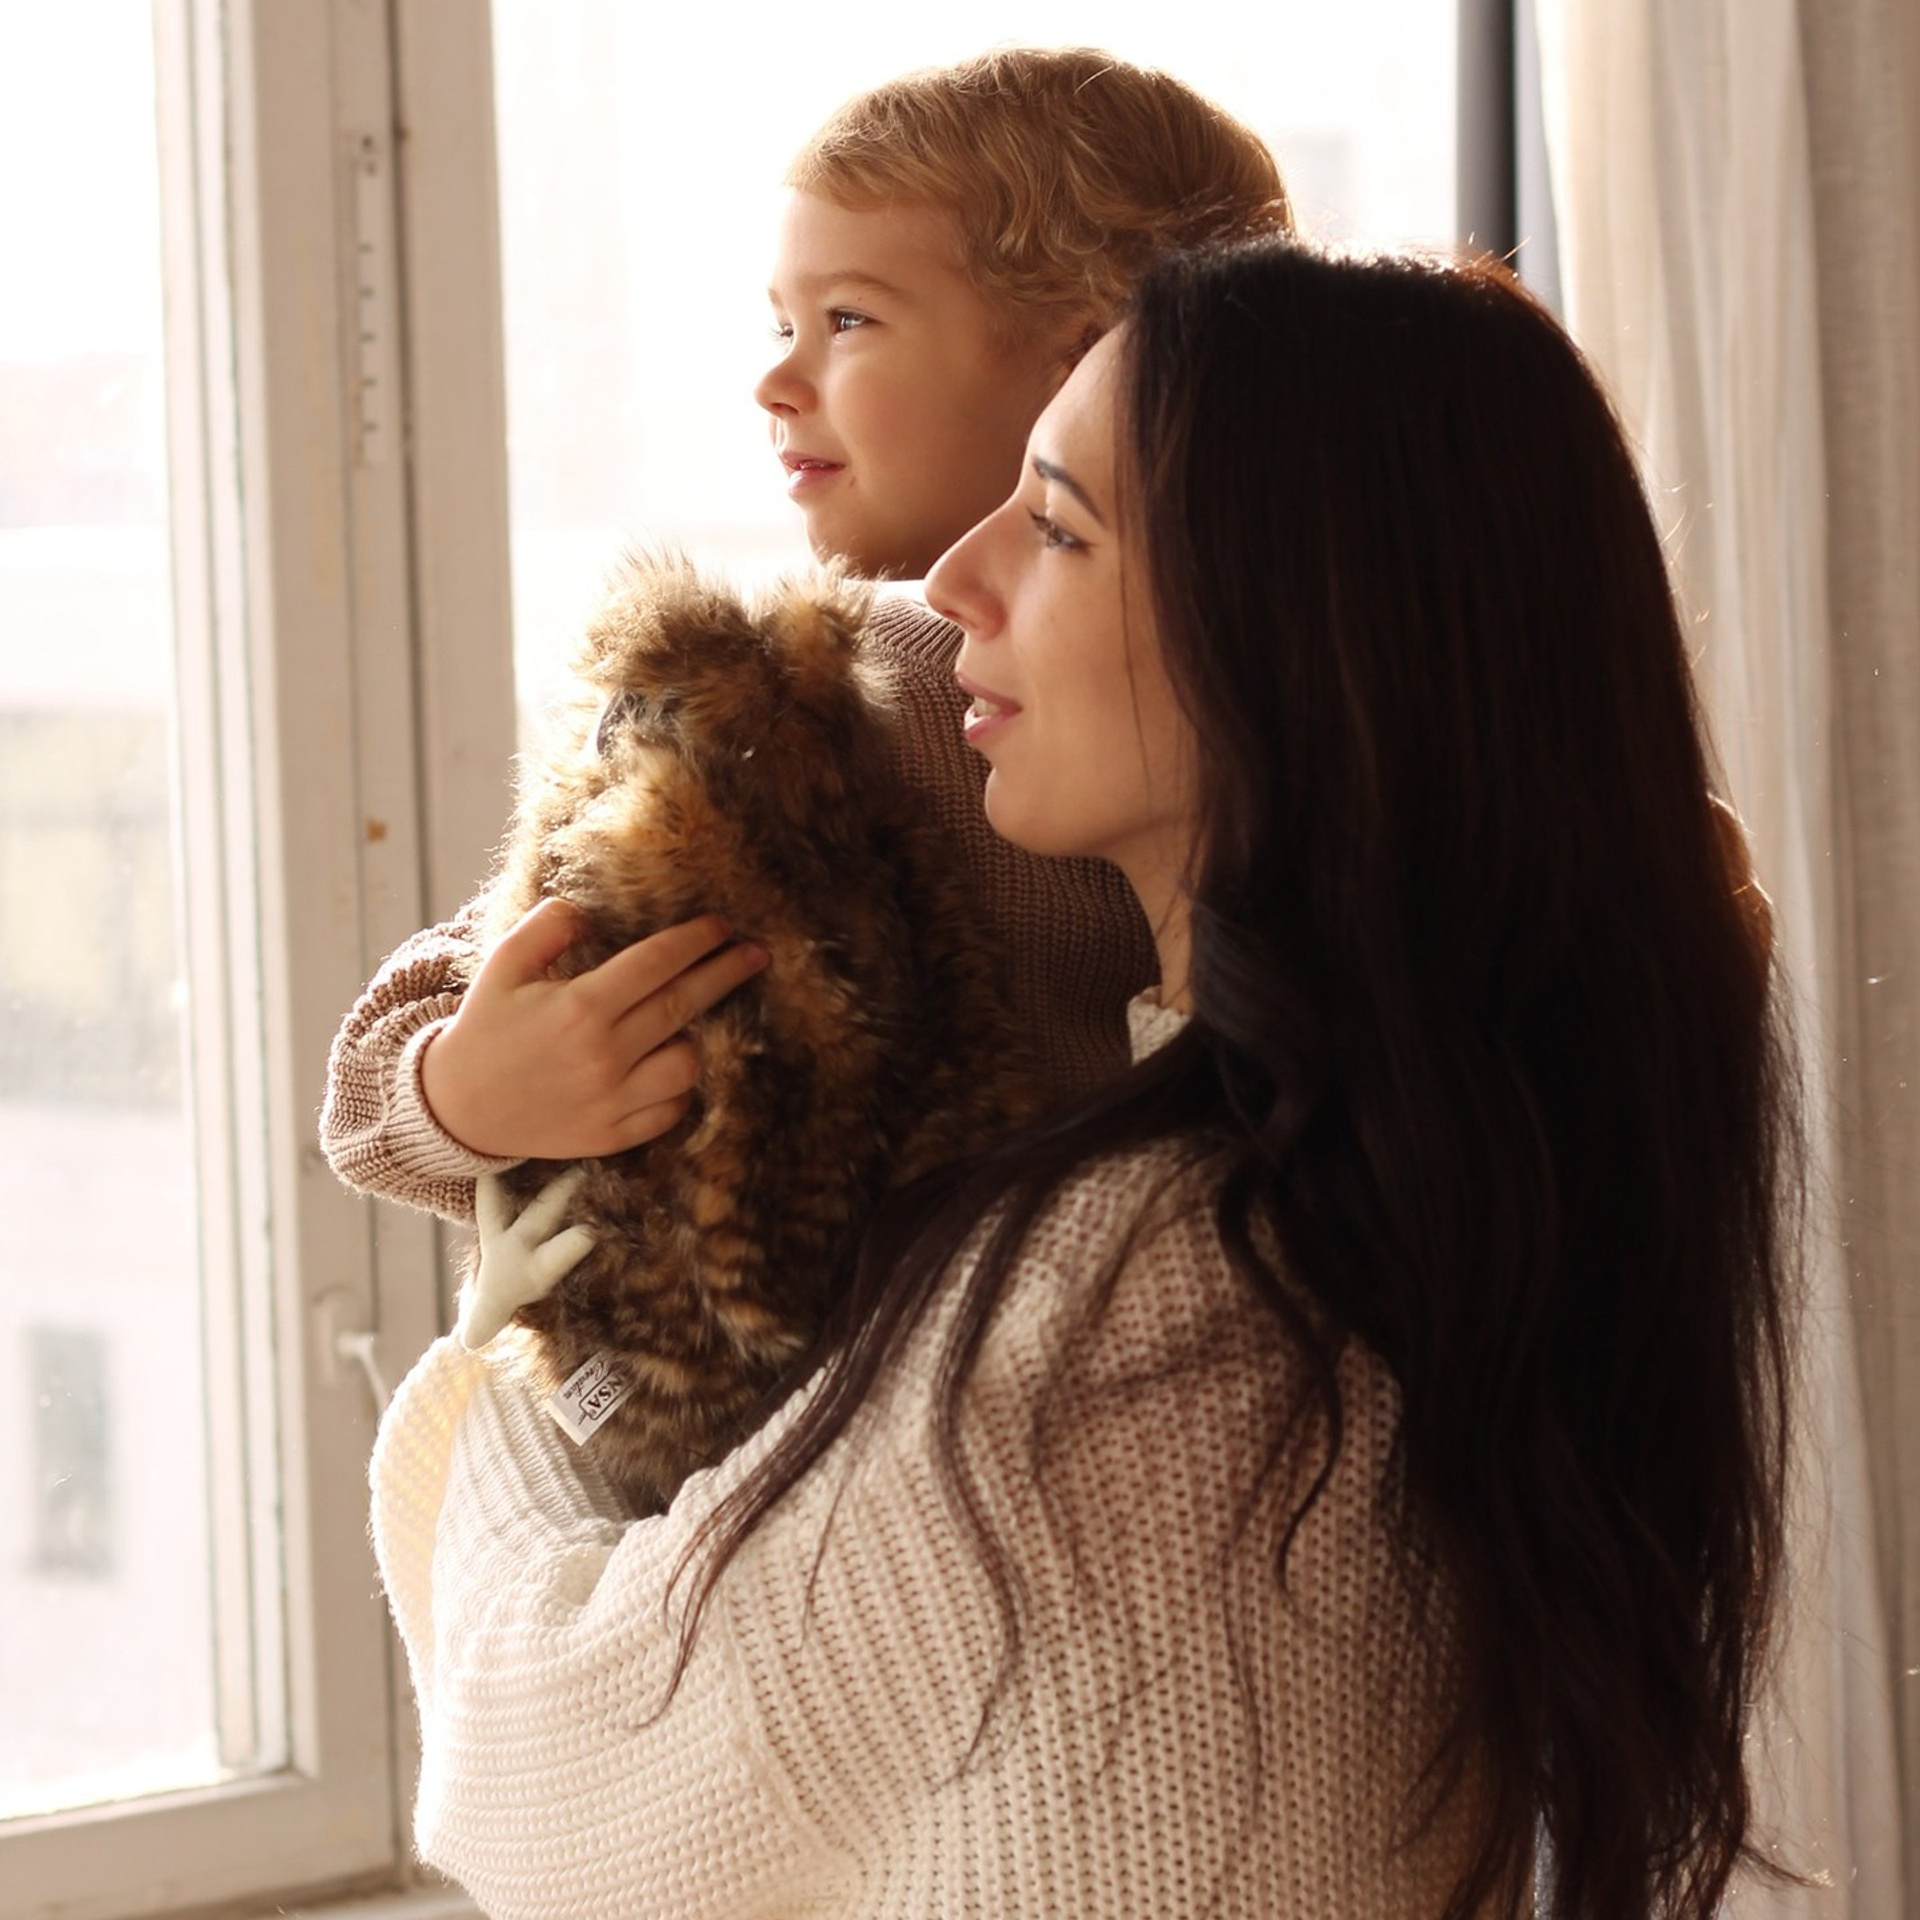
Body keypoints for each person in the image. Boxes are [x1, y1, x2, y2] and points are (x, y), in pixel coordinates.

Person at [369, 237, 1801, 1919]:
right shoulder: (1472, 1180)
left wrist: (487, 1393)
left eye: (1056, 526)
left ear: (1291, 643)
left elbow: (556, 1776)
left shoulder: (1133, 1309)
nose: (957, 575)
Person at [319, 47, 1292, 1218]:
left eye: (847, 319)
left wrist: (436, 1099)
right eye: (781, 322)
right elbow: (401, 1065)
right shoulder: (791, 694)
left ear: (1086, 365)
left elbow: (378, 1088)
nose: (776, 380)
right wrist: (464, 1092)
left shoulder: (816, 698)